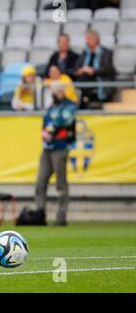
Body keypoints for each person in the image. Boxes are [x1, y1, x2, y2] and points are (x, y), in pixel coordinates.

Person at [35, 82, 77, 226]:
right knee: (40, 182)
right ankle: (40, 213)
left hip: (60, 147)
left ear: (60, 92)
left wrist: (51, 129)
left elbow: (64, 121)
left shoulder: (70, 106)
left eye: (54, 92)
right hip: (47, 148)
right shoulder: (51, 107)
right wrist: (44, 132)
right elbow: (45, 122)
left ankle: (61, 215)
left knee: (61, 183)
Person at [74, 29, 116, 109]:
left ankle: (83, 101)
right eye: (86, 38)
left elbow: (107, 69)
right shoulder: (85, 53)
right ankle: (81, 102)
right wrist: (80, 70)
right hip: (85, 79)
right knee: (79, 80)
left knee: (82, 82)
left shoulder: (106, 52)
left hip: (100, 79)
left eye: (89, 38)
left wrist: (93, 70)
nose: (87, 41)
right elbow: (77, 67)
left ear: (96, 39)